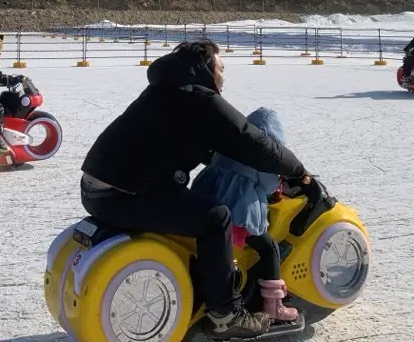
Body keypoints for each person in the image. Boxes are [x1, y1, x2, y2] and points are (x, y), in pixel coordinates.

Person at [79, 40, 308, 340]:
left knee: (196, 208)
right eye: (222, 68)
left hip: (95, 191)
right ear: (206, 67)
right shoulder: (199, 98)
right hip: (125, 196)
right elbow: (253, 142)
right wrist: (299, 172)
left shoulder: (164, 91)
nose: (224, 76)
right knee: (216, 217)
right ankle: (225, 315)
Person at [191, 107, 300, 323]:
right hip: (238, 210)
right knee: (269, 248)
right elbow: (269, 186)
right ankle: (273, 306)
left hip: (207, 202)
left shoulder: (230, 145)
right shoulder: (264, 156)